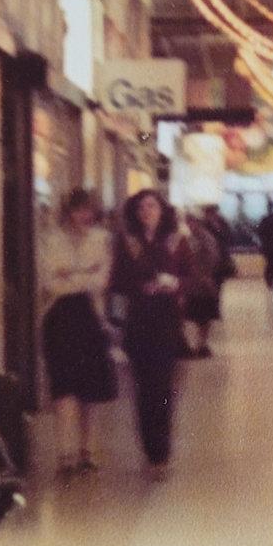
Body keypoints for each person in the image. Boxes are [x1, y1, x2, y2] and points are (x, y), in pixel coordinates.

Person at [41, 188, 116, 475]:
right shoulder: (51, 239)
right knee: (64, 388)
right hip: (58, 318)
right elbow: (51, 283)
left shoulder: (102, 239)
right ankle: (66, 453)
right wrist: (85, 274)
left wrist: (71, 274)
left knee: (90, 391)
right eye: (78, 209)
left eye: (88, 210)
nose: (83, 215)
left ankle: (88, 450)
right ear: (68, 211)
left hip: (90, 318)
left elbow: (102, 280)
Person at [109, 190, 183, 473]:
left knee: (163, 388)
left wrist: (174, 284)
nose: (147, 212)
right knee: (143, 391)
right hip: (138, 324)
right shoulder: (128, 244)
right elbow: (117, 284)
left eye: (152, 206)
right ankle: (150, 451)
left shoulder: (175, 242)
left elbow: (189, 275)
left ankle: (161, 455)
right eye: (142, 207)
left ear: (163, 211)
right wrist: (116, 323)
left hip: (166, 322)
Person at [178, 210, 222, 358]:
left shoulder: (204, 237)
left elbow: (211, 257)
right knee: (196, 316)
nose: (189, 225)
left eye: (190, 222)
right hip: (196, 283)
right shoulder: (193, 237)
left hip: (202, 284)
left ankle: (202, 344)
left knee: (203, 317)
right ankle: (198, 344)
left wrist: (204, 275)